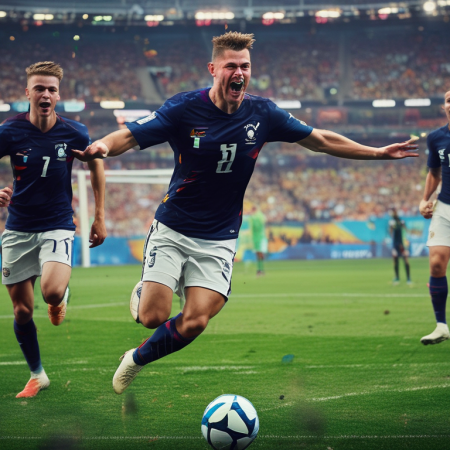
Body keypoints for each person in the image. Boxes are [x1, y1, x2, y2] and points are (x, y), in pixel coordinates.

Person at [73, 31, 418, 394]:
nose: (239, 73)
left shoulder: (263, 113)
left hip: (219, 238)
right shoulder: (184, 108)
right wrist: (102, 146)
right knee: (151, 317)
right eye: (231, 66)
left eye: (245, 66)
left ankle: (136, 359)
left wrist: (377, 152)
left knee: (196, 321)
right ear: (213, 69)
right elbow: (130, 135)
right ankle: (147, 290)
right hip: (173, 228)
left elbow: (320, 140)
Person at [0, 61, 107, 398]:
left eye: (51, 89)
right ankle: (37, 375)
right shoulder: (9, 131)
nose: (45, 94)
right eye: (39, 88)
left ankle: (61, 296)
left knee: (51, 292)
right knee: (21, 311)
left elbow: (96, 165)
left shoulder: (75, 132)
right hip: (18, 227)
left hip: (58, 223)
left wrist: (99, 215)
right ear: (27, 92)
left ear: (58, 95)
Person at [419, 90, 450, 345]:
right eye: (449, 100)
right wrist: (424, 199)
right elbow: (434, 172)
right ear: (444, 106)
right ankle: (441, 326)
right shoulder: (436, 138)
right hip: (445, 207)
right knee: (437, 264)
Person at [389, 208, 411, 285]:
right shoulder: (392, 222)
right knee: (395, 260)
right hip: (395, 244)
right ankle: (397, 277)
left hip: (401, 244)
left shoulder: (401, 221)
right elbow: (390, 232)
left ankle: (408, 279)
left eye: (394, 212)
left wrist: (406, 238)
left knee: (405, 260)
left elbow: (405, 229)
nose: (393, 214)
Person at [249, 206, 267, 276]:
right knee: (258, 254)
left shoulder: (257, 217)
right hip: (256, 238)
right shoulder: (255, 217)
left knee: (260, 253)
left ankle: (260, 269)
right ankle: (260, 269)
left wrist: (253, 218)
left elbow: (257, 226)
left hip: (260, 238)